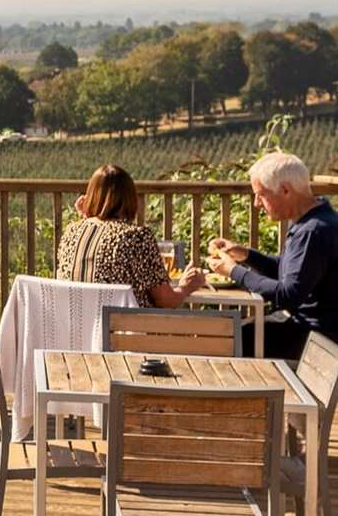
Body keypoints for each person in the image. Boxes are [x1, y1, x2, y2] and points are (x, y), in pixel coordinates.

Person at [207, 151, 338, 361]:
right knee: (232, 331)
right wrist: (246, 255)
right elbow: (289, 270)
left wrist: (233, 270)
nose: (256, 203)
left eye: (261, 194)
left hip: (317, 339)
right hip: (310, 327)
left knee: (224, 337)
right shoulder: (317, 220)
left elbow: (288, 294)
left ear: (285, 190)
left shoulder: (312, 232)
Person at [55, 164, 205, 308]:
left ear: (91, 196)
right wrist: (186, 287)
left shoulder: (71, 232)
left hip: (78, 330)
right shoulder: (136, 237)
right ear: (130, 198)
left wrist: (87, 217)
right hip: (124, 331)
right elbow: (166, 300)